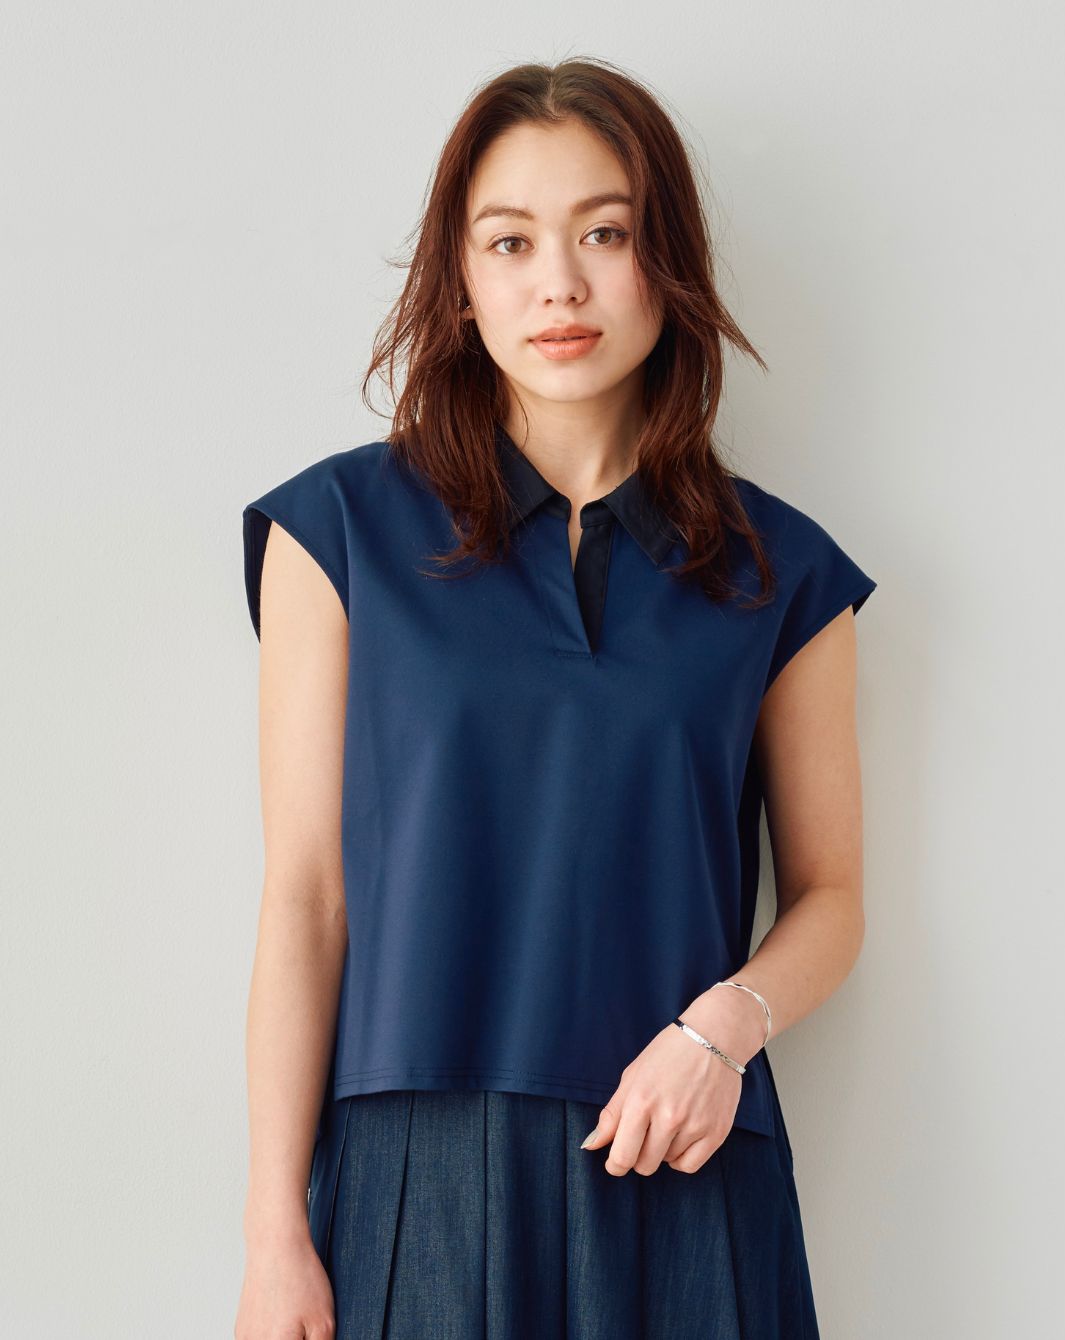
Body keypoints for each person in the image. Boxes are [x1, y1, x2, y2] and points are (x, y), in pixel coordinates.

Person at [234, 56, 877, 1340]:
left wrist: (721, 1031)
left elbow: (832, 896)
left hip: (682, 1156)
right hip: (412, 1182)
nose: (559, 285)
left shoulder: (781, 572)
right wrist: (271, 1235)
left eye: (605, 233)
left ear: (666, 261)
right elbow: (307, 899)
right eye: (510, 241)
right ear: (460, 279)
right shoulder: (340, 533)